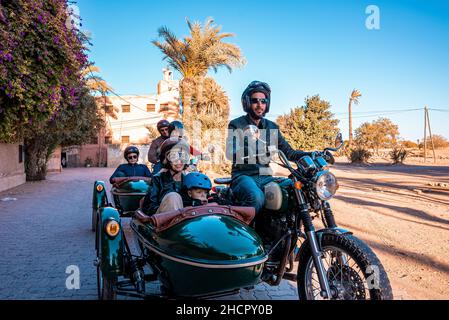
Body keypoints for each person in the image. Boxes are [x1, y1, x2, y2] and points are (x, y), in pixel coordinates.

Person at [226, 81, 310, 214]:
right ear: (247, 103)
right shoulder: (237, 124)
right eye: (255, 101)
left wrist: (312, 154)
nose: (260, 105)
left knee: (294, 191)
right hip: (243, 175)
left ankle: (286, 232)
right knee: (256, 197)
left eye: (263, 101)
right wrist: (249, 148)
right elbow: (231, 151)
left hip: (266, 176)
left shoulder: (272, 127)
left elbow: (289, 152)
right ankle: (246, 234)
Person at [141, 137, 191, 215]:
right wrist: (167, 205)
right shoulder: (158, 179)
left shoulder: (189, 179)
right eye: (173, 157)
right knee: (173, 197)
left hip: (186, 220)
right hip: (163, 221)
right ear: (165, 160)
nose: (179, 161)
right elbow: (149, 207)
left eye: (183, 156)